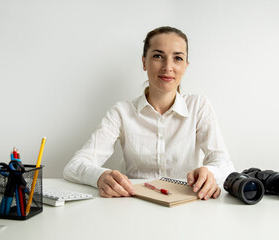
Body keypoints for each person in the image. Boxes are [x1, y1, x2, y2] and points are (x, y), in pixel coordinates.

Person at [63, 26, 235, 200]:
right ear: (144, 62)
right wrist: (99, 177)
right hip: (134, 205)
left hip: (185, 208)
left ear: (185, 66)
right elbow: (74, 166)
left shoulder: (199, 106)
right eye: (158, 56)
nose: (168, 67)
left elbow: (225, 164)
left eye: (177, 58)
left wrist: (210, 173)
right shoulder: (121, 112)